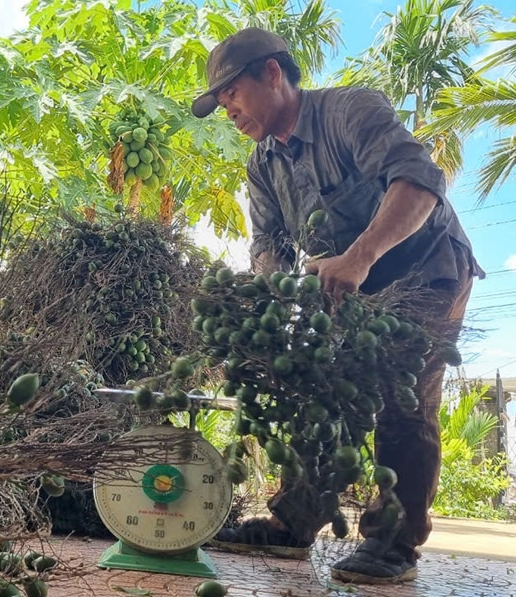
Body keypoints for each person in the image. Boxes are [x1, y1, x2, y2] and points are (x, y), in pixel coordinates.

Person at [191, 27, 483, 585]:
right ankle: (294, 521)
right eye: (220, 101)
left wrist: (360, 255)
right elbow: (267, 246)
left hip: (428, 267)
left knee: (401, 397)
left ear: (272, 74)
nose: (227, 109)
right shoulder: (263, 164)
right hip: (348, 286)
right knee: (314, 384)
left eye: (232, 93)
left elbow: (421, 184)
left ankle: (394, 542)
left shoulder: (349, 111)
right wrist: (271, 310)